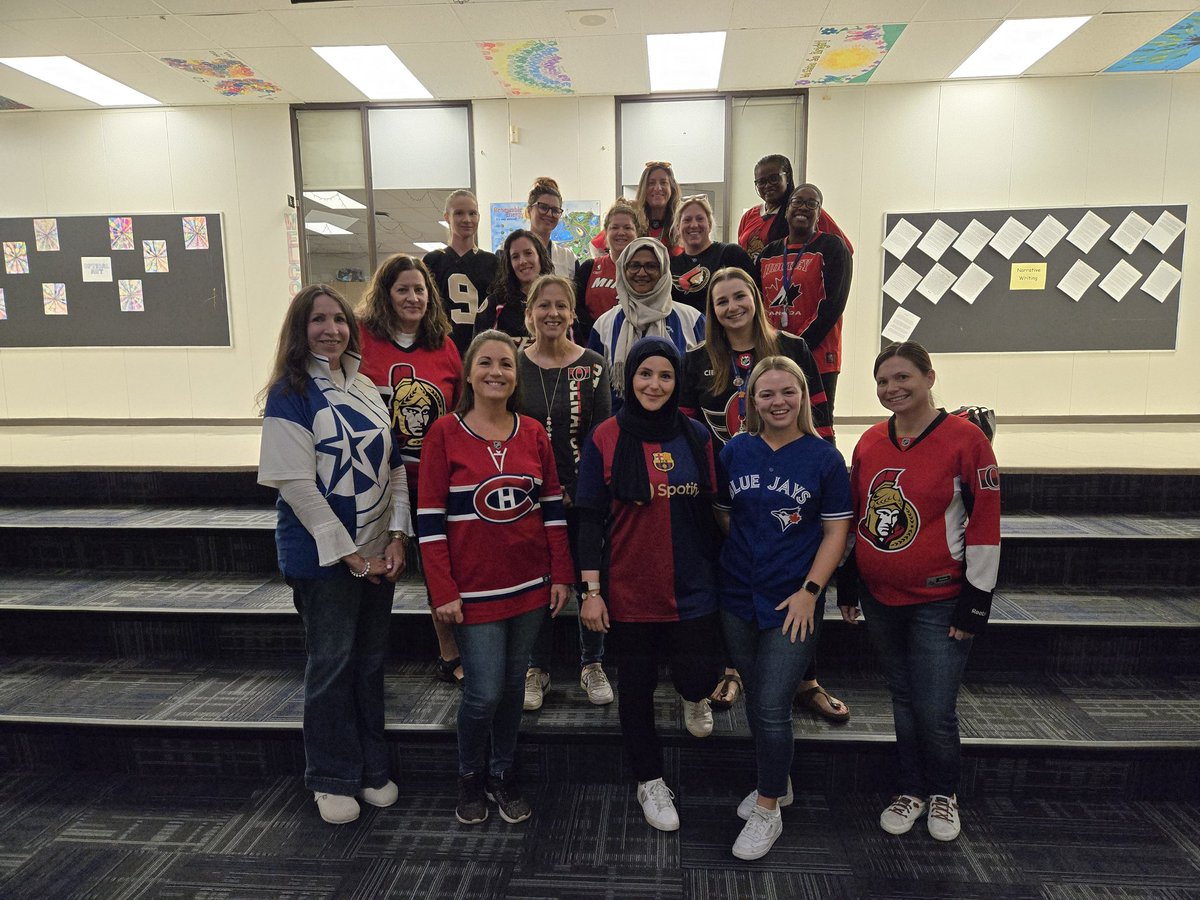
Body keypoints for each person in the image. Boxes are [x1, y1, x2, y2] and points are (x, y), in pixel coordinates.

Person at [257, 284, 411, 825]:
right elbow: (297, 487)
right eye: (318, 320)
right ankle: (330, 775)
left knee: (369, 664)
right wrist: (351, 557)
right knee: (331, 665)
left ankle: (371, 766)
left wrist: (397, 536)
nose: (331, 330)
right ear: (300, 330)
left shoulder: (367, 386)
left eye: (340, 319)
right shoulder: (290, 392)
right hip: (323, 559)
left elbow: (394, 466)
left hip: (376, 553)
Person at [837, 342, 1001, 843]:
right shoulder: (869, 441)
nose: (892, 389)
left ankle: (943, 792)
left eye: (903, 377)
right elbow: (859, 516)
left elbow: (985, 524)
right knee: (904, 697)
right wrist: (849, 580)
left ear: (930, 377)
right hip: (880, 597)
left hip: (941, 601)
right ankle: (911, 789)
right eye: (882, 381)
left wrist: (976, 600)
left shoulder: (966, 441)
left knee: (934, 707)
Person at [418, 330, 574, 826]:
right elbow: (429, 520)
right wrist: (442, 590)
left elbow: (552, 509)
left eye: (506, 364)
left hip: (529, 587)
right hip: (473, 592)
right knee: (483, 692)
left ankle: (501, 773)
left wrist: (561, 574)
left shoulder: (533, 433)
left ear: (516, 375)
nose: (496, 372)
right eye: (485, 362)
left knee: (510, 690)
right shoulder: (444, 433)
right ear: (468, 374)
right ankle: (469, 775)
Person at [680, 267, 848, 722]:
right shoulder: (696, 358)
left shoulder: (792, 347)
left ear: (755, 297)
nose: (732, 307)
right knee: (734, 580)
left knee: (798, 581)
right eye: (721, 301)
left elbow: (819, 418)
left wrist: (823, 474)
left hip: (793, 486)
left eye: (740, 296)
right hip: (726, 490)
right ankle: (733, 670)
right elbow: (688, 432)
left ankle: (806, 680)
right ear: (711, 310)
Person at [575, 336, 722, 833]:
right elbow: (589, 517)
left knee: (698, 677)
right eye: (645, 374)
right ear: (630, 378)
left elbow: (716, 509)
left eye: (665, 375)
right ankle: (649, 779)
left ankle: (694, 696)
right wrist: (592, 592)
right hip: (630, 591)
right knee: (636, 692)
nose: (654, 384)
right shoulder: (605, 437)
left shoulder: (697, 436)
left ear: (677, 382)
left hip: (694, 588)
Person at [714, 356, 852, 859]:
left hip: (794, 601)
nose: (778, 402)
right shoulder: (735, 450)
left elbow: (837, 532)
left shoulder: (825, 458)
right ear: (751, 401)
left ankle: (768, 809)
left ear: (803, 397)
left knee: (772, 705)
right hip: (736, 596)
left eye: (787, 392)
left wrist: (810, 590)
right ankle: (778, 782)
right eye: (766, 393)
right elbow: (724, 516)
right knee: (758, 700)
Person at [357, 253, 464, 688]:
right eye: (402, 289)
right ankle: (366, 660)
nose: (413, 297)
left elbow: (461, 412)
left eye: (419, 289)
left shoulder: (445, 346)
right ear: (385, 294)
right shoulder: (361, 339)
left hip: (435, 482)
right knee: (378, 570)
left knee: (440, 572)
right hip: (376, 482)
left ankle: (449, 653)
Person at [516, 275, 614, 711]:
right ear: (529, 313)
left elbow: (601, 435)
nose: (552, 313)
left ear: (573, 314)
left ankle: (592, 663)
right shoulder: (513, 365)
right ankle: (537, 667)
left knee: (589, 578)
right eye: (543, 305)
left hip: (582, 495)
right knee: (538, 580)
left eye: (561, 305)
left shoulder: (593, 364)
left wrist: (576, 489)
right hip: (528, 498)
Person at [756, 184, 853, 420]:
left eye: (812, 204)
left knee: (817, 423)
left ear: (819, 214)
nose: (803, 208)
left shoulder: (831, 247)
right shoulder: (768, 253)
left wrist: (798, 346)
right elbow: (757, 303)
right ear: (786, 210)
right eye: (797, 202)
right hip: (772, 353)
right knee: (774, 420)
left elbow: (832, 305)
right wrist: (771, 343)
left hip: (818, 356)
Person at [587, 237, 705, 410]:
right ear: (623, 270)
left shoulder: (692, 319)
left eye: (651, 266)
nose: (641, 273)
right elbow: (594, 388)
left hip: (676, 422)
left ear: (664, 270)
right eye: (634, 265)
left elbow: (705, 381)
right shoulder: (604, 324)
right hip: (620, 422)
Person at [737, 154, 854, 263]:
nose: (767, 185)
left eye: (774, 178)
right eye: (761, 182)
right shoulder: (749, 216)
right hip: (751, 278)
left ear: (787, 177)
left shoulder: (805, 212)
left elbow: (845, 250)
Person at [423, 189, 498, 354]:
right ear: (447, 217)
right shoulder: (432, 261)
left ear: (479, 217)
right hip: (442, 350)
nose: (467, 219)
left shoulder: (493, 263)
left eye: (472, 213)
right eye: (459, 213)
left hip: (482, 351)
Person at [574, 198, 646, 342]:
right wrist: (600, 332)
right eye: (614, 227)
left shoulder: (647, 271)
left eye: (627, 228)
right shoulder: (589, 268)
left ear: (637, 233)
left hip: (635, 342)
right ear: (606, 233)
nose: (621, 232)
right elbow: (576, 307)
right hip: (594, 343)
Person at [670, 194, 756, 312]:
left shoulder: (731, 254)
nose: (694, 225)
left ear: (709, 225)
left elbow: (755, 296)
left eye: (700, 219)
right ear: (678, 227)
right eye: (687, 220)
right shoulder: (671, 266)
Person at [589, 161, 683, 256]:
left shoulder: (682, 223)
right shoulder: (630, 219)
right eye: (651, 183)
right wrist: (613, 264)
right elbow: (596, 246)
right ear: (643, 188)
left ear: (672, 188)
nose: (658, 188)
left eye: (663, 183)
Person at [476, 228, 554, 341]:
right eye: (515, 257)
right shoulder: (495, 304)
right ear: (509, 263)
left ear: (540, 256)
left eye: (528, 253)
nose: (522, 261)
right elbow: (478, 349)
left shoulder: (558, 302)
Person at [525, 176, 579, 278]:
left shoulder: (568, 258)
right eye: (543, 207)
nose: (549, 214)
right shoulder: (508, 252)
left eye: (555, 210)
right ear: (529, 210)